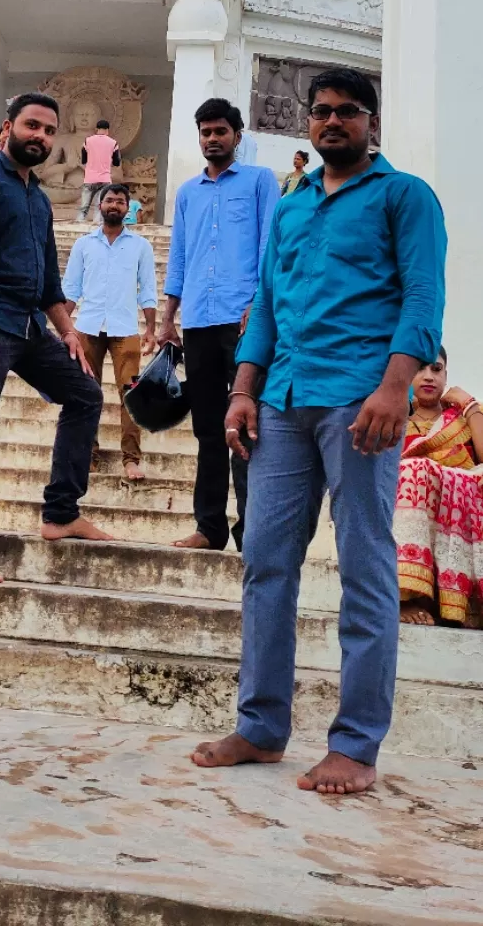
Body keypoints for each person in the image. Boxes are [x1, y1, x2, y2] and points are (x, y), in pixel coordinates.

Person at [192, 66, 446, 797]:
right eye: (321, 112)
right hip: (283, 400)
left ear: (372, 122)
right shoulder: (293, 206)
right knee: (266, 562)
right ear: (308, 122)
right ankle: (261, 727)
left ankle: (357, 746)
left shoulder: (405, 197)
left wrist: (396, 386)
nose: (332, 122)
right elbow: (266, 305)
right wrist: (243, 389)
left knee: (366, 566)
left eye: (348, 112)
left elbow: (424, 295)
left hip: (360, 402)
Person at [0, 92, 107, 586]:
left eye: (49, 131)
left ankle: (60, 513)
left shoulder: (36, 196)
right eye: (32, 126)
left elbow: (50, 282)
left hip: (30, 326)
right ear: (9, 126)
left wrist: (69, 333)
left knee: (85, 395)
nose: (41, 136)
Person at [159, 98, 280, 553]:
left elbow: (272, 245)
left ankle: (254, 531)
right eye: (205, 132)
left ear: (236, 136)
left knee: (248, 424)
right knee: (207, 428)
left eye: (220, 132)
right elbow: (180, 256)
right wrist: (168, 319)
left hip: (246, 320)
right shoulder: (188, 192)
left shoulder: (259, 181)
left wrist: (259, 303)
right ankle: (209, 528)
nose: (212, 139)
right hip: (200, 321)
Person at [63, 184, 158, 482]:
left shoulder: (140, 246)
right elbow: (71, 289)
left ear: (127, 208)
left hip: (125, 329)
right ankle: (85, 453)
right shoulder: (84, 245)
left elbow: (148, 291)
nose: (114, 205)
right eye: (109, 200)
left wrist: (151, 329)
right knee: (84, 394)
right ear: (100, 206)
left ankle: (131, 459)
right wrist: (62, 327)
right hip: (87, 328)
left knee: (131, 396)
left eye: (120, 201)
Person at [395, 349, 482, 628]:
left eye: (437, 369)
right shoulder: (398, 422)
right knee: (413, 471)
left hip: (466, 509)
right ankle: (406, 596)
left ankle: (456, 601)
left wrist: (469, 405)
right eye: (419, 369)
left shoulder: (461, 418)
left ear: (446, 376)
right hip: (419, 509)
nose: (428, 376)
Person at [77, 118, 121, 223]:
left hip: (89, 178)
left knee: (84, 205)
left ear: (96, 129)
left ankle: (79, 222)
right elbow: (116, 162)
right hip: (105, 178)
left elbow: (83, 159)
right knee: (99, 205)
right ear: (107, 130)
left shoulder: (88, 141)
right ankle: (96, 224)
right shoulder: (113, 143)